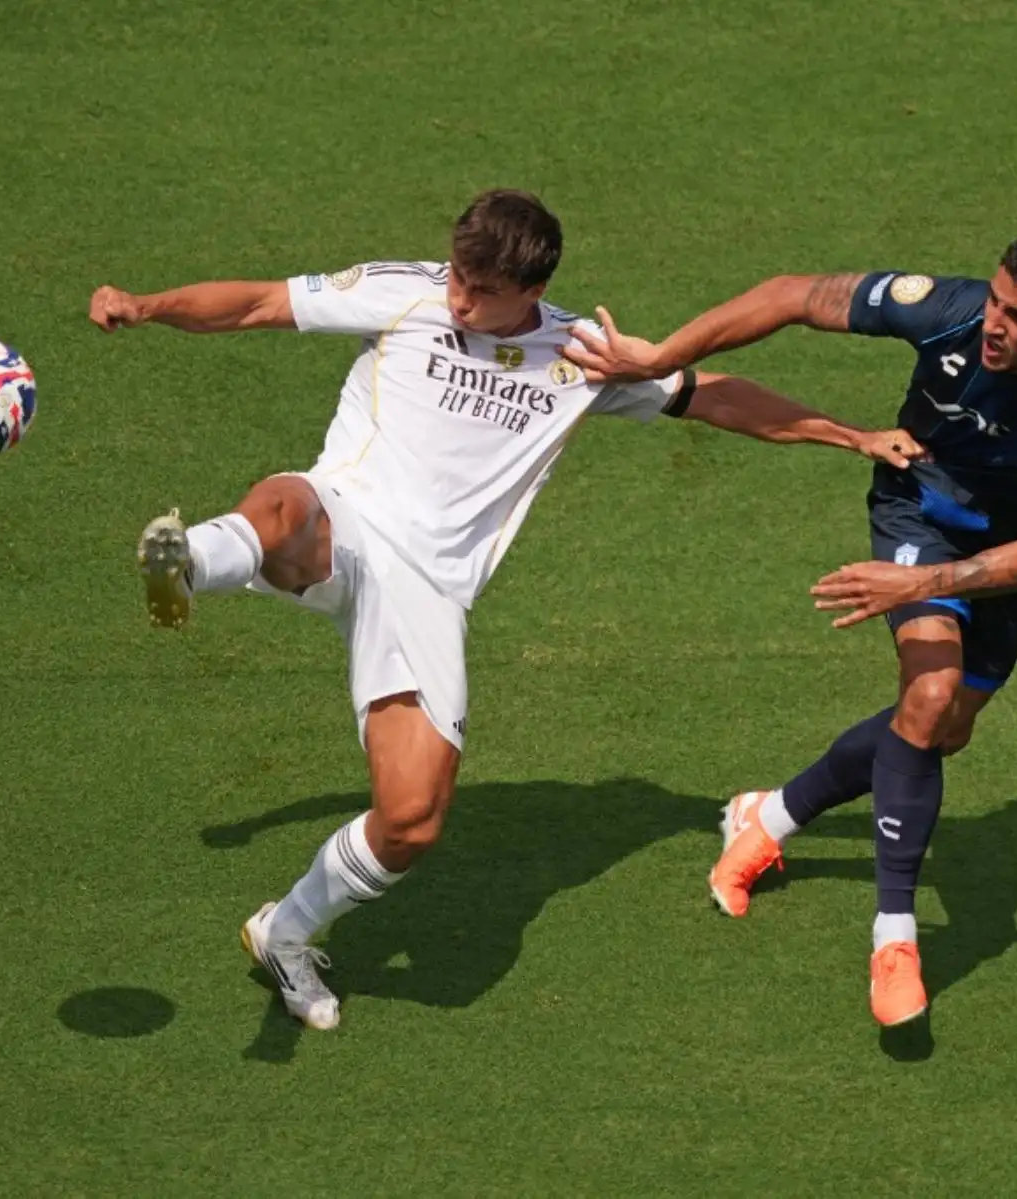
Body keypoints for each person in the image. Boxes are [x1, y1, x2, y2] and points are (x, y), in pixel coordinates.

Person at [87, 189, 916, 1030]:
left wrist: (852, 436)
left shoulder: (582, 358)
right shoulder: (404, 291)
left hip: (429, 589)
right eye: (456, 276)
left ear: (531, 289)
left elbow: (715, 396)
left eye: (479, 291)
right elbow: (262, 302)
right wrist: (146, 306)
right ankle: (190, 560)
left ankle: (285, 931)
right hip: (347, 516)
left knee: (410, 821)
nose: (457, 299)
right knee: (286, 507)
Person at [563, 227, 1017, 1026]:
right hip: (919, 507)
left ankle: (767, 816)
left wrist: (920, 583)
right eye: (996, 300)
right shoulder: (949, 310)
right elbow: (792, 294)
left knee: (940, 731)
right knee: (930, 692)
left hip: (1009, 556)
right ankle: (895, 937)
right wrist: (659, 357)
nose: (993, 324)